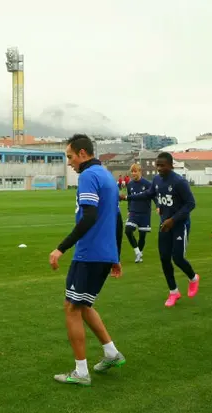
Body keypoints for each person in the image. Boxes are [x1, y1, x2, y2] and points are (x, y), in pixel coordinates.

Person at [49, 134, 125, 386]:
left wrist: (61, 248)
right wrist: (116, 256)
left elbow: (89, 216)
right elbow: (116, 220)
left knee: (71, 307)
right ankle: (112, 353)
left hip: (89, 253)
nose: (69, 163)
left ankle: (81, 372)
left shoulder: (88, 176)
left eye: (69, 156)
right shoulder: (107, 176)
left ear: (83, 153)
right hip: (102, 254)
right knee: (82, 305)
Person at [122, 152, 200, 307]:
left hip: (179, 224)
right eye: (157, 165)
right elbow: (149, 194)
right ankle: (173, 291)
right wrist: (127, 197)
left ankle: (193, 278)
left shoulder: (179, 182)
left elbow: (190, 204)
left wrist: (173, 219)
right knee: (164, 258)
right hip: (165, 225)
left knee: (177, 258)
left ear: (171, 165)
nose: (159, 168)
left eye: (162, 165)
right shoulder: (157, 180)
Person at [124, 163, 154, 263]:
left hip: (145, 213)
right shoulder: (130, 184)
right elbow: (129, 198)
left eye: (135, 171)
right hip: (133, 212)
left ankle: (139, 255)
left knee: (142, 236)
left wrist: (158, 207)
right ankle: (137, 252)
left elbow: (154, 196)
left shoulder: (147, 184)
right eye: (132, 171)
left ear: (140, 172)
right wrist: (129, 209)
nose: (133, 173)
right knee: (128, 230)